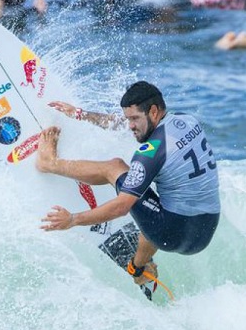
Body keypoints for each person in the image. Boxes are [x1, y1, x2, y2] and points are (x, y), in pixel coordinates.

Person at [39, 82, 220, 286]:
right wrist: (81, 114)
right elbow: (119, 124)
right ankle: (139, 266)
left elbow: (122, 206)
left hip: (170, 233)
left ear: (153, 111)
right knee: (156, 197)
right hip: (206, 229)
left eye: (134, 119)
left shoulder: (149, 153)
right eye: (128, 118)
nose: (130, 125)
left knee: (115, 167)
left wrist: (72, 219)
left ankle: (49, 163)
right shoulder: (187, 121)